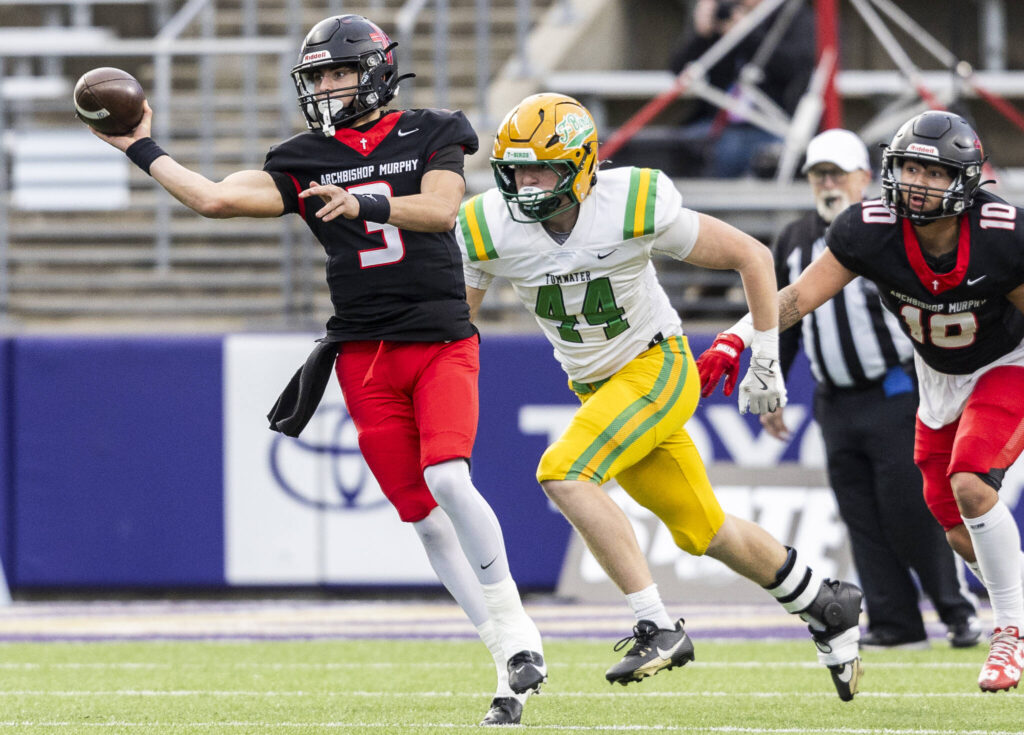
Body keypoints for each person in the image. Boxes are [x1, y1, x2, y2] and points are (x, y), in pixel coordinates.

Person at [88, 14, 544, 726]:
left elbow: (441, 208)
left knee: (449, 475)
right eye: (319, 76)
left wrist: (366, 198)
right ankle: (502, 658)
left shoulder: (432, 128)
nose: (329, 87)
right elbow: (215, 198)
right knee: (423, 521)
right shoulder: (305, 156)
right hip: (363, 354)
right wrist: (139, 146)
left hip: (438, 338)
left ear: (378, 70)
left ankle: (517, 628)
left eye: (339, 72)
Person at [457, 92, 864, 702]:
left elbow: (753, 257)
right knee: (705, 531)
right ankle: (823, 602)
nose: (525, 182)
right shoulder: (487, 224)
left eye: (540, 168)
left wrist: (765, 359)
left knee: (563, 472)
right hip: (599, 387)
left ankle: (655, 624)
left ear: (582, 164)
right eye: (515, 168)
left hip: (657, 366)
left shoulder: (630, 202)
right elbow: (455, 328)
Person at [698, 110, 1024, 692]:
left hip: (1006, 363)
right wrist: (736, 336)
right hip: (937, 377)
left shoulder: (1002, 236)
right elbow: (796, 297)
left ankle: (1010, 634)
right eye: (908, 167)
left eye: (933, 171)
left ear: (966, 181)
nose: (917, 182)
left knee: (972, 484)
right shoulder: (869, 229)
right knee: (953, 527)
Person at [761, 128, 981, 650]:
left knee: (911, 510)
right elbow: (788, 319)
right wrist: (772, 380)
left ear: (865, 177)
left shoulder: (888, 232)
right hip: (833, 400)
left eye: (837, 172)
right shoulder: (793, 238)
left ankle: (957, 611)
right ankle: (894, 622)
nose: (828, 182)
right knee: (860, 517)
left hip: (894, 390)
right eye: (819, 174)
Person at [667, 0, 815, 178]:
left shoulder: (791, 15)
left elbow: (795, 68)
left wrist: (747, 33)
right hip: (717, 123)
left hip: (772, 124)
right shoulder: (726, 13)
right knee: (667, 145)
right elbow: (679, 70)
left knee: (732, 148)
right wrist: (701, 35)